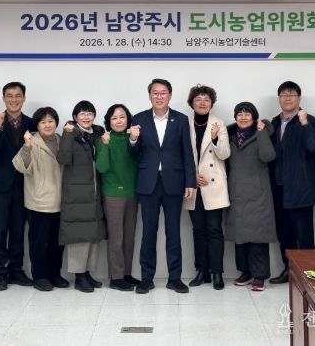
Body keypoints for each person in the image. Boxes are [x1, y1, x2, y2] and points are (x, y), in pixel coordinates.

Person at [129, 78, 196, 294]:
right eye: (155, 93)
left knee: (173, 232)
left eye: (163, 92)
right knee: (148, 232)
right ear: (150, 96)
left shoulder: (181, 119)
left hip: (174, 182)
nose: (159, 96)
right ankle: (146, 278)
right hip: (148, 183)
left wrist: (190, 182)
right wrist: (132, 140)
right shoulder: (139, 119)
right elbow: (133, 154)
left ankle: (174, 278)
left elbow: (187, 152)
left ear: (170, 95)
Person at [0, 82, 36, 291]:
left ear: (24, 98)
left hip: (24, 184)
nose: (14, 99)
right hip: (0, 185)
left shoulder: (32, 123)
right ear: (3, 98)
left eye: (18, 95)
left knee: (18, 229)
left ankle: (16, 270)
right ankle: (1, 272)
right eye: (9, 96)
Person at [269, 81, 315, 284]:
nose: (288, 98)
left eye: (292, 94)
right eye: (284, 94)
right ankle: (288, 270)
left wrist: (305, 123)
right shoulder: (274, 122)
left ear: (299, 98)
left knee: (304, 235)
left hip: (301, 188)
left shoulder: (309, 120)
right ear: (279, 99)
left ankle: (309, 274)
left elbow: (314, 147)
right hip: (278, 188)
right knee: (284, 234)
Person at [13, 107, 68, 292]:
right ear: (37, 125)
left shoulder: (61, 140)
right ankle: (40, 276)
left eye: (50, 121)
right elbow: (20, 166)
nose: (47, 125)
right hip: (39, 202)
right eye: (43, 122)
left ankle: (55, 274)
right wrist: (27, 146)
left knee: (57, 242)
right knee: (38, 242)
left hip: (60, 201)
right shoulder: (32, 141)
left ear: (56, 123)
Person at [226, 102, 277, 291]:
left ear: (254, 118)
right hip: (236, 192)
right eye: (239, 114)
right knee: (240, 234)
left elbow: (268, 156)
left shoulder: (261, 134)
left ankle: (259, 275)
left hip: (258, 193)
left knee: (258, 236)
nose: (243, 117)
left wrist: (262, 133)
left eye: (247, 114)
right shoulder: (230, 137)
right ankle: (246, 272)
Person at [57, 100, 107, 293]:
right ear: (75, 117)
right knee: (79, 235)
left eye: (90, 113)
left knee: (92, 235)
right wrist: (68, 135)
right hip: (77, 193)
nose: (86, 117)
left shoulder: (97, 135)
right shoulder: (71, 134)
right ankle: (78, 277)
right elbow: (63, 158)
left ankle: (86, 273)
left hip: (94, 192)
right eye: (82, 114)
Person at [185, 85, 230, 290]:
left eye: (206, 99)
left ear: (211, 103)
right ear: (192, 103)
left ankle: (217, 272)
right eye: (198, 99)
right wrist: (191, 177)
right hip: (193, 186)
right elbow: (179, 154)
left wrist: (214, 138)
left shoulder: (219, 124)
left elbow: (225, 154)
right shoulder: (184, 123)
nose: (202, 103)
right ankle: (202, 270)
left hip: (213, 185)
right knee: (198, 230)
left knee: (214, 230)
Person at [96, 104, 140, 291]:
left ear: (128, 119)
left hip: (132, 193)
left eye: (122, 117)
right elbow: (102, 167)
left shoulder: (133, 139)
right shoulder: (104, 140)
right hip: (113, 194)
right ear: (108, 121)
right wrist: (105, 145)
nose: (119, 121)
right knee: (116, 238)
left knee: (129, 237)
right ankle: (116, 277)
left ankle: (126, 274)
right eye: (114, 118)